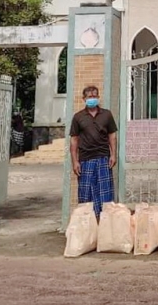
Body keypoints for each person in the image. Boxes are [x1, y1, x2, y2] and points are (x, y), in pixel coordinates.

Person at [69, 85, 117, 218]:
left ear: (98, 97)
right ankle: (88, 225)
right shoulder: (78, 117)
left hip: (103, 159)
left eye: (95, 96)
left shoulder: (106, 115)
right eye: (90, 97)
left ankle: (104, 225)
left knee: (105, 195)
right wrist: (75, 161)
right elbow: (74, 140)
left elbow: (112, 136)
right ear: (84, 99)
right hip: (85, 160)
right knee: (86, 195)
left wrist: (113, 154)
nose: (92, 99)